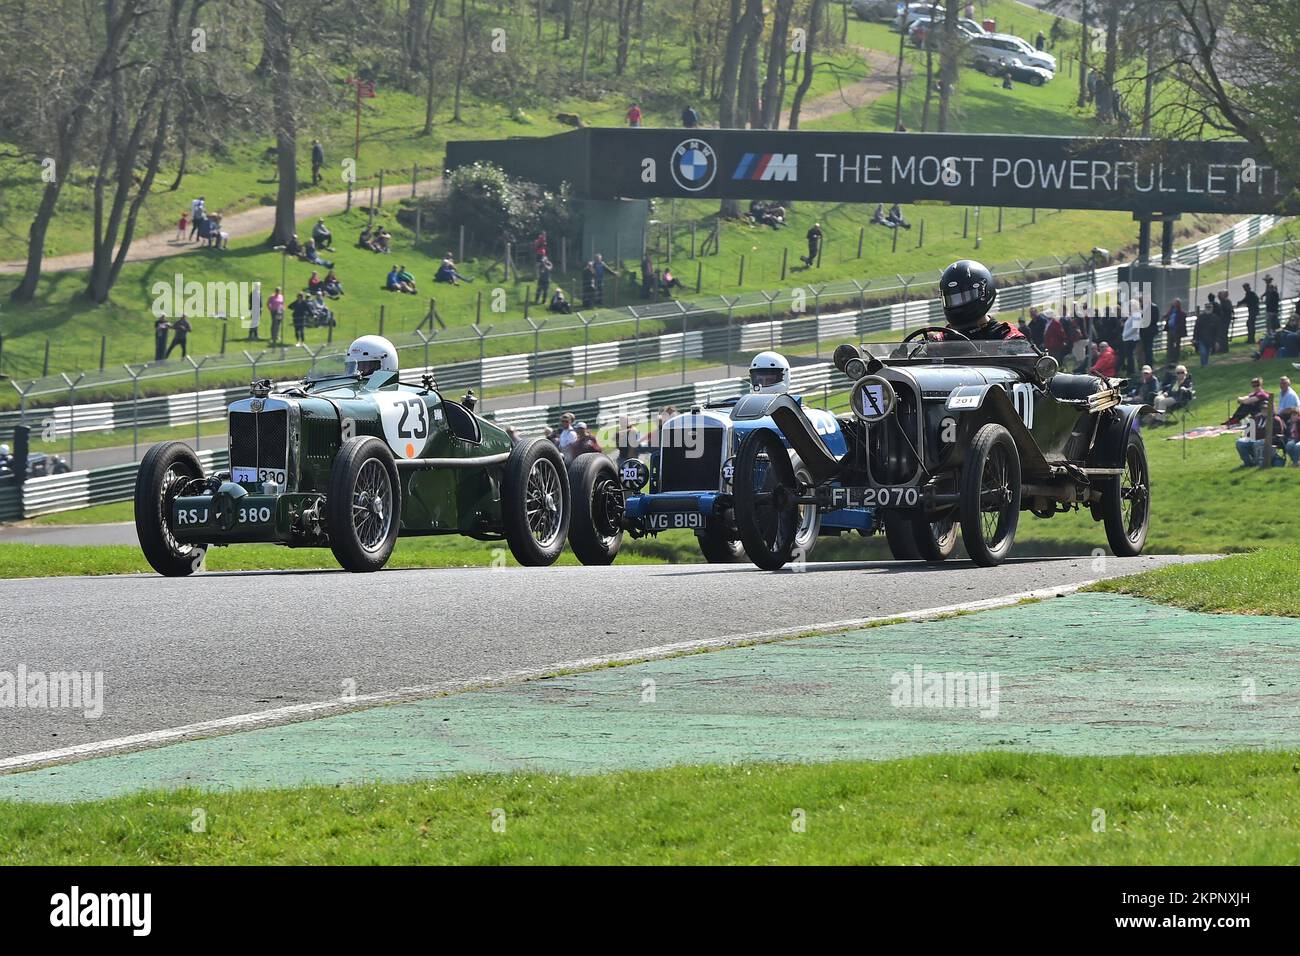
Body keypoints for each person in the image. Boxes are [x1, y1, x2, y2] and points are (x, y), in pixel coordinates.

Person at [936, 259, 1025, 341]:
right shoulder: (940, 341)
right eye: (951, 299)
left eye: (965, 297)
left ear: (984, 292)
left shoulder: (1007, 336)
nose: (957, 303)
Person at [1121, 299, 1143, 376]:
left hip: (1132, 338)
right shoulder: (1132, 315)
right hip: (1128, 338)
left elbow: (1135, 328)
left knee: (1131, 356)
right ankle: (1130, 370)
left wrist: (1125, 335)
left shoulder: (1137, 315)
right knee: (1129, 356)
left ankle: (1132, 371)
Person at [1192, 301, 1216, 366]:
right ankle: (1204, 365)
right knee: (1203, 352)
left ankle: (1205, 364)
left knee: (1207, 353)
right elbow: (1196, 328)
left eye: (1210, 307)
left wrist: (1216, 340)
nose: (1208, 308)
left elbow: (1217, 329)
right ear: (1205, 308)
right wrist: (1194, 338)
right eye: (1207, 307)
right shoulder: (1201, 317)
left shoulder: (1214, 318)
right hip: (1201, 338)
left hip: (1210, 339)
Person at [1163, 297, 1186, 366]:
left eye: (1176, 303)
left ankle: (1175, 359)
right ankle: (1169, 359)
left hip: (1177, 331)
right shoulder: (1171, 311)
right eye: (1174, 303)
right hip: (1170, 330)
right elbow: (1167, 316)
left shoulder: (1181, 313)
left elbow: (1182, 322)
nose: (1175, 304)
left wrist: (1177, 328)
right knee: (1170, 345)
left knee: (1176, 345)